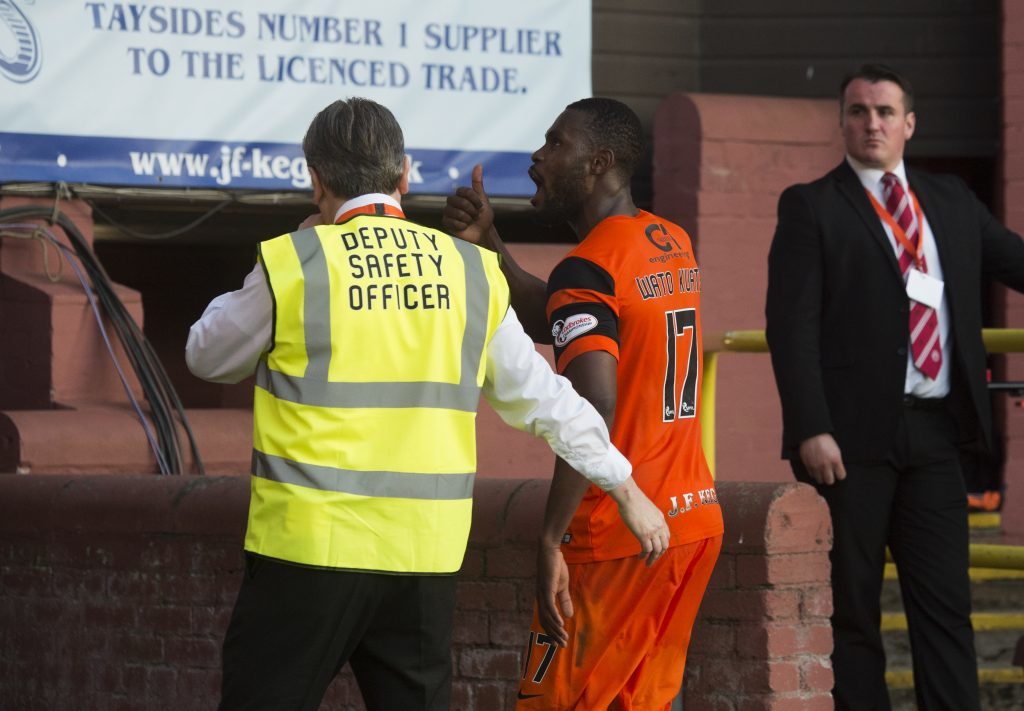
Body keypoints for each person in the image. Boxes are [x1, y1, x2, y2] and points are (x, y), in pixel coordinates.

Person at [185, 97, 671, 711]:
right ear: (404, 175)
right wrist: (625, 488)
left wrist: (279, 259)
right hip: (423, 559)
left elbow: (207, 355)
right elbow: (546, 399)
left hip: (308, 552)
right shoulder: (467, 271)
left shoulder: (298, 263)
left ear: (316, 180)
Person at [443, 97, 724, 710]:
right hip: (690, 520)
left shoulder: (590, 266)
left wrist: (548, 539)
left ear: (597, 163)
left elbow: (589, 405)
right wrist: (489, 240)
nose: (538, 157)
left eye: (555, 144)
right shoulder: (667, 238)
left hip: (616, 533)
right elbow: (566, 315)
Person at [765, 63, 1024, 710]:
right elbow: (790, 327)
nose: (871, 122)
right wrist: (810, 425)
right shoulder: (813, 205)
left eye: (884, 112)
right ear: (842, 122)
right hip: (849, 442)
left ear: (910, 123)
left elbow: (1015, 260)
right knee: (852, 612)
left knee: (945, 609)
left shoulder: (953, 201)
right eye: (858, 111)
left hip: (937, 435)